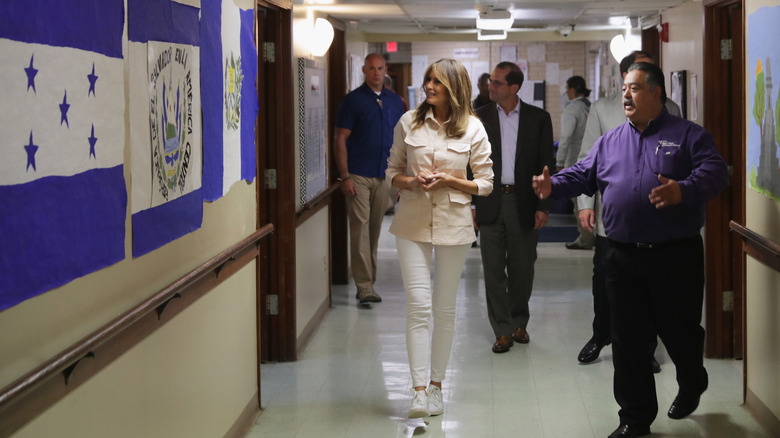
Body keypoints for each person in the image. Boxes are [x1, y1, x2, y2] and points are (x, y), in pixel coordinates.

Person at [533, 62, 727, 438]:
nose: (626, 95)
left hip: (675, 255)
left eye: (635, 88)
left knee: (680, 332)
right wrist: (552, 185)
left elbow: (716, 172)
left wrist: (683, 190)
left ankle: (692, 380)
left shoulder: (688, 135)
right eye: (624, 87)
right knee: (628, 340)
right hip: (622, 256)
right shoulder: (611, 140)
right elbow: (583, 174)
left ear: (657, 93)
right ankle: (635, 418)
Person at [386, 58, 493, 418]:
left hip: (454, 224)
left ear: (455, 87)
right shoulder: (408, 122)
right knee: (418, 305)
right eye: (428, 79)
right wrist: (412, 182)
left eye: (438, 82)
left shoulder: (473, 129)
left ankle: (436, 386)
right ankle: (417, 391)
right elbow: (392, 172)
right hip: (412, 222)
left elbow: (486, 183)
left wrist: (449, 181)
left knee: (444, 309)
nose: (429, 86)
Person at [575, 51, 682, 369]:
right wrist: (585, 204)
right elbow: (587, 160)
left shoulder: (671, 109)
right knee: (604, 281)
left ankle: (645, 349)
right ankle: (600, 335)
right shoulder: (603, 109)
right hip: (612, 218)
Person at [473, 62, 554, 353]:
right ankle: (502, 330)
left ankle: (519, 322)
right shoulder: (478, 118)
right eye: (490, 82)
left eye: (497, 83)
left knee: (522, 268)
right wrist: (471, 204)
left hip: (524, 201)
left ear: (514, 87)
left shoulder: (538, 118)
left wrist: (544, 205)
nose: (490, 87)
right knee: (493, 269)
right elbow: (470, 166)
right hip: (489, 200)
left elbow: (547, 164)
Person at [335, 53, 405, 304]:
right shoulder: (352, 101)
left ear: (385, 70)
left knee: (375, 230)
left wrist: (401, 178)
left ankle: (369, 281)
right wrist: (345, 177)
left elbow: (403, 141)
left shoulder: (396, 102)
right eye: (371, 69)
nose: (376, 73)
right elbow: (340, 139)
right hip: (358, 174)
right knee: (360, 229)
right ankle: (364, 286)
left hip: (385, 175)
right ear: (364, 70)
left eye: (380, 69)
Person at [556, 75, 593, 250]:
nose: (566, 92)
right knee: (592, 201)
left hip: (576, 160)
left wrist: (560, 161)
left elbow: (566, 137)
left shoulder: (572, 109)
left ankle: (585, 239)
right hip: (593, 160)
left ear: (572, 89)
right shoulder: (591, 106)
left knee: (579, 203)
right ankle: (592, 237)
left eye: (567, 88)